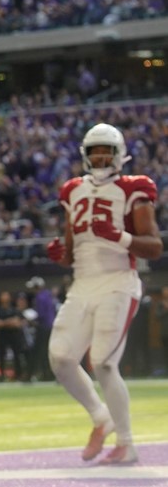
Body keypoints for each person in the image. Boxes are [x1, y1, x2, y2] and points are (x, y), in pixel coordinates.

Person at [46, 123, 162, 465]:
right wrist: (59, 254)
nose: (99, 157)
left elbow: (154, 246)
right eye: (94, 151)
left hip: (117, 281)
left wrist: (118, 236)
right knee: (61, 358)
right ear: (85, 155)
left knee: (104, 361)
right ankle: (101, 417)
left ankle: (127, 443)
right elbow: (70, 250)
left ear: (118, 155)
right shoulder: (72, 190)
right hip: (82, 283)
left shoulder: (133, 188)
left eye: (105, 151)